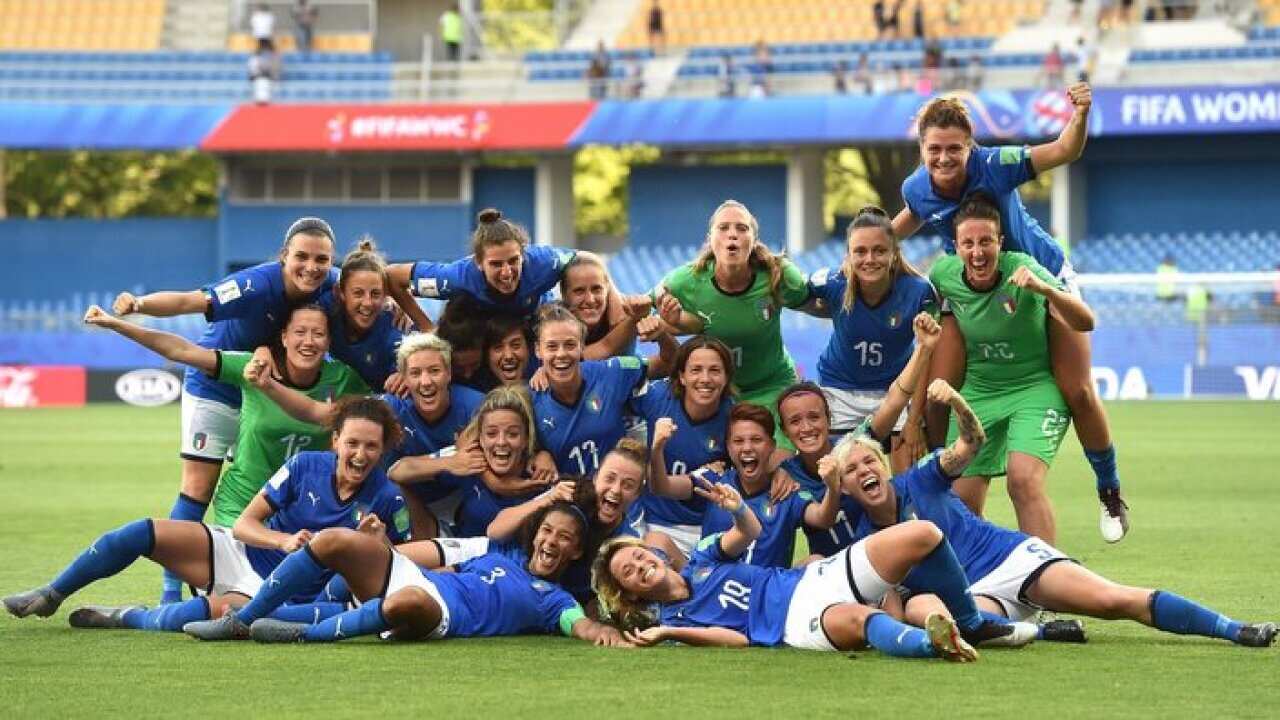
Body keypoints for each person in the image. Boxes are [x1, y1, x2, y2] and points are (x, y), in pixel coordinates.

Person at [833, 380, 1278, 649]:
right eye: (852, 471)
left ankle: (1235, 629)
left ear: (885, 465)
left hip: (1012, 559)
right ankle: (1046, 631)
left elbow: (971, 441)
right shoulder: (862, 537)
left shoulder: (923, 478)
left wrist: (956, 402)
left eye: (869, 461)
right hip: (975, 599)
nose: (864, 471)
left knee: (1113, 601)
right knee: (948, 623)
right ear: (847, 488)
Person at [893, 87, 1131, 543]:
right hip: (973, 283)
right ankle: (940, 485)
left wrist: (1079, 114)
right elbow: (909, 217)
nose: (943, 159)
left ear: (972, 147)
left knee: (1076, 389)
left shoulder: (994, 166)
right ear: (921, 150)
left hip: (1040, 278)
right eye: (934, 150)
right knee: (945, 383)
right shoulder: (916, 188)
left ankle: (1109, 488)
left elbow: (1064, 149)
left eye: (954, 149)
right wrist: (869, 242)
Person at [4, 397, 409, 633]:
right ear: (335, 440)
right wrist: (282, 540)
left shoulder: (387, 499)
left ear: (383, 449)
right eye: (352, 443)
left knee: (200, 616)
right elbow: (245, 525)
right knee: (137, 533)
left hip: (288, 595)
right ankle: (50, 595)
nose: (360, 454)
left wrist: (378, 545)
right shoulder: (304, 465)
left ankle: (127, 617)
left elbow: (400, 573)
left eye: (371, 447)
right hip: (245, 553)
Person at [107, 218, 339, 603]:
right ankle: (170, 592)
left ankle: (254, 571)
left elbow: (375, 284)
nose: (311, 267)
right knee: (197, 489)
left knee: (266, 484)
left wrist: (396, 307)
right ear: (284, 256)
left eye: (321, 260)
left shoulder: (331, 280)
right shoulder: (257, 283)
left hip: (266, 390)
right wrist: (140, 305)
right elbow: (190, 301)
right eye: (301, 257)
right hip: (217, 383)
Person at [592, 470, 1030, 656]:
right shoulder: (674, 618)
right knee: (859, 621)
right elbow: (738, 640)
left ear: (651, 553)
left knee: (924, 534)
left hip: (813, 578)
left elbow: (748, 534)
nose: (639, 567)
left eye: (636, 557)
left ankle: (969, 621)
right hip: (794, 623)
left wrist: (737, 507)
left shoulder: (701, 560)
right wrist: (671, 630)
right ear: (630, 592)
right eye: (628, 574)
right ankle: (933, 645)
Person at [183, 502, 627, 646]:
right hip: (415, 576)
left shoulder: (553, 599)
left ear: (574, 552)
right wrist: (382, 551)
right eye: (547, 531)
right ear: (536, 535)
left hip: (435, 614)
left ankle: (301, 636)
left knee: (403, 604)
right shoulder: (498, 556)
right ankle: (241, 621)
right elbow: (449, 567)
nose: (552, 541)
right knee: (334, 541)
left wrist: (599, 632)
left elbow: (578, 623)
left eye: (564, 538)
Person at [85, 302, 371, 524]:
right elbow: (180, 350)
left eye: (318, 334)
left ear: (329, 341)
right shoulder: (252, 368)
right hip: (243, 506)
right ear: (283, 337)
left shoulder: (345, 379)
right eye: (299, 332)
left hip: (302, 512)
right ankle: (170, 594)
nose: (308, 341)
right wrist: (116, 324)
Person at [928, 194, 1098, 547]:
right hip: (980, 392)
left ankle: (1048, 583)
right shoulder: (942, 275)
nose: (977, 252)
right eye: (968, 243)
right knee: (960, 499)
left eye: (986, 241)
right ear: (956, 247)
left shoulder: (1023, 267)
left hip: (1034, 388)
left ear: (1000, 242)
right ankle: (986, 578)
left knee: (1022, 481)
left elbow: (1086, 321)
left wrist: (1044, 288)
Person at [239, 331, 487, 540]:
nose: (425, 382)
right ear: (404, 377)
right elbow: (318, 412)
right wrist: (268, 385)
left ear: (449, 374)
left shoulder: (476, 408)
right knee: (390, 486)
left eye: (434, 371)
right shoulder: (390, 408)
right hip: (404, 502)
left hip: (462, 499)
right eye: (415, 373)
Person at [625, 200, 811, 446]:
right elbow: (640, 308)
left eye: (742, 228)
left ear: (754, 240)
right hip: (716, 395)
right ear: (710, 239)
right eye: (723, 227)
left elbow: (816, 303)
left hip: (772, 387)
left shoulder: (780, 275)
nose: (732, 234)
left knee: (777, 469)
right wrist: (665, 324)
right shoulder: (685, 280)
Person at [775, 312, 941, 561]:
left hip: (885, 562)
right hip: (836, 575)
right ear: (785, 430)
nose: (807, 428)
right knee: (810, 563)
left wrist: (923, 349)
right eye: (795, 421)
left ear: (828, 420)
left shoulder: (851, 447)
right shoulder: (784, 475)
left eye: (814, 417)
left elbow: (894, 402)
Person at [804, 206, 939, 466]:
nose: (870, 259)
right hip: (839, 391)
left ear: (894, 254)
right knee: (839, 477)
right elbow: (793, 293)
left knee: (908, 482)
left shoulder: (920, 292)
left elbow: (926, 356)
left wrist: (914, 420)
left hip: (895, 393)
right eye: (860, 251)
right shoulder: (831, 283)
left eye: (879, 250)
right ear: (848, 256)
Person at [651, 403, 842, 569]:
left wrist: (833, 488)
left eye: (756, 440)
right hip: (711, 588)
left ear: (772, 446)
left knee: (815, 561)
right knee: (657, 540)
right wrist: (657, 448)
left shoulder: (785, 491)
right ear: (728, 447)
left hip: (765, 594)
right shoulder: (713, 480)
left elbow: (823, 518)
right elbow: (662, 486)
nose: (747, 447)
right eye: (738, 441)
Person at [530, 303, 673, 475]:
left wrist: (662, 335)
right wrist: (537, 454)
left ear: (582, 346)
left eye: (570, 345)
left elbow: (669, 363)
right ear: (538, 350)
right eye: (552, 346)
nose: (561, 354)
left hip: (619, 495)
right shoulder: (529, 400)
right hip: (568, 499)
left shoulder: (611, 373)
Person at [389, 385, 550, 538]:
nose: (501, 442)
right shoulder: (470, 458)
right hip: (460, 550)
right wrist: (450, 463)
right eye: (491, 434)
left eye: (512, 434)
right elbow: (396, 471)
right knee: (395, 492)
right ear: (479, 437)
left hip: (514, 560)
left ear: (526, 439)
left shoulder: (540, 472)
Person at [631, 336, 735, 556]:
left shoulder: (734, 420)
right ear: (682, 376)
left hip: (701, 526)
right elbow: (610, 400)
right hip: (650, 518)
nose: (705, 379)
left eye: (715, 370)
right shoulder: (657, 397)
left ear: (726, 378)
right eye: (696, 370)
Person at [387, 208, 576, 328]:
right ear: (478, 263)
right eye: (496, 264)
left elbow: (588, 260)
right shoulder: (456, 278)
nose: (507, 272)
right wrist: (427, 328)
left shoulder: (543, 262)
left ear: (523, 254)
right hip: (487, 336)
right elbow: (392, 276)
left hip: (535, 324)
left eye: (513, 261)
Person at [560, 252, 638, 359]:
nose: (590, 300)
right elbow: (605, 347)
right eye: (579, 291)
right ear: (564, 294)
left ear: (607, 289)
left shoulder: (628, 309)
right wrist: (634, 319)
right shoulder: (552, 322)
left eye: (597, 289)